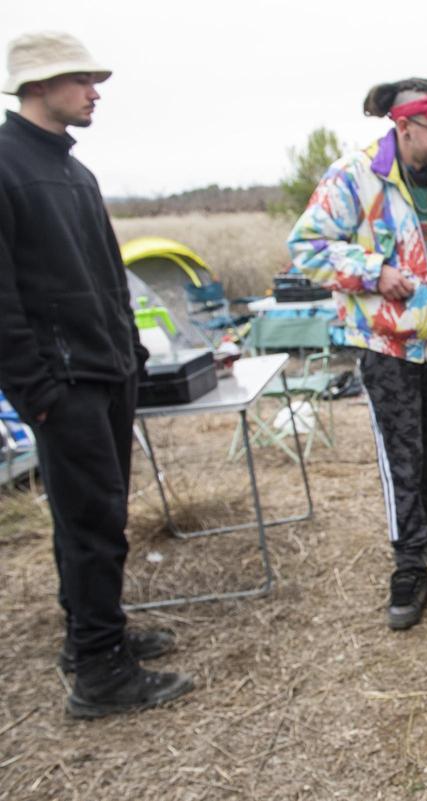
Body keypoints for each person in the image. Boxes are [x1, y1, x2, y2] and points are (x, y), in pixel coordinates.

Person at [0, 32, 193, 717]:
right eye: (82, 78)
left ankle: (94, 635)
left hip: (109, 375)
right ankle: (101, 675)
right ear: (39, 84)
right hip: (65, 384)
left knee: (100, 520)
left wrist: (132, 357)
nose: (95, 91)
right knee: (90, 525)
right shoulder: (6, 163)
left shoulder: (74, 171)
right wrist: (39, 392)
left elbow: (111, 278)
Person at [288, 78, 427, 630]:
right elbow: (306, 249)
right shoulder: (355, 178)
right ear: (403, 126)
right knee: (402, 454)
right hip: (385, 343)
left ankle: (426, 518)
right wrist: (376, 272)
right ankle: (408, 562)